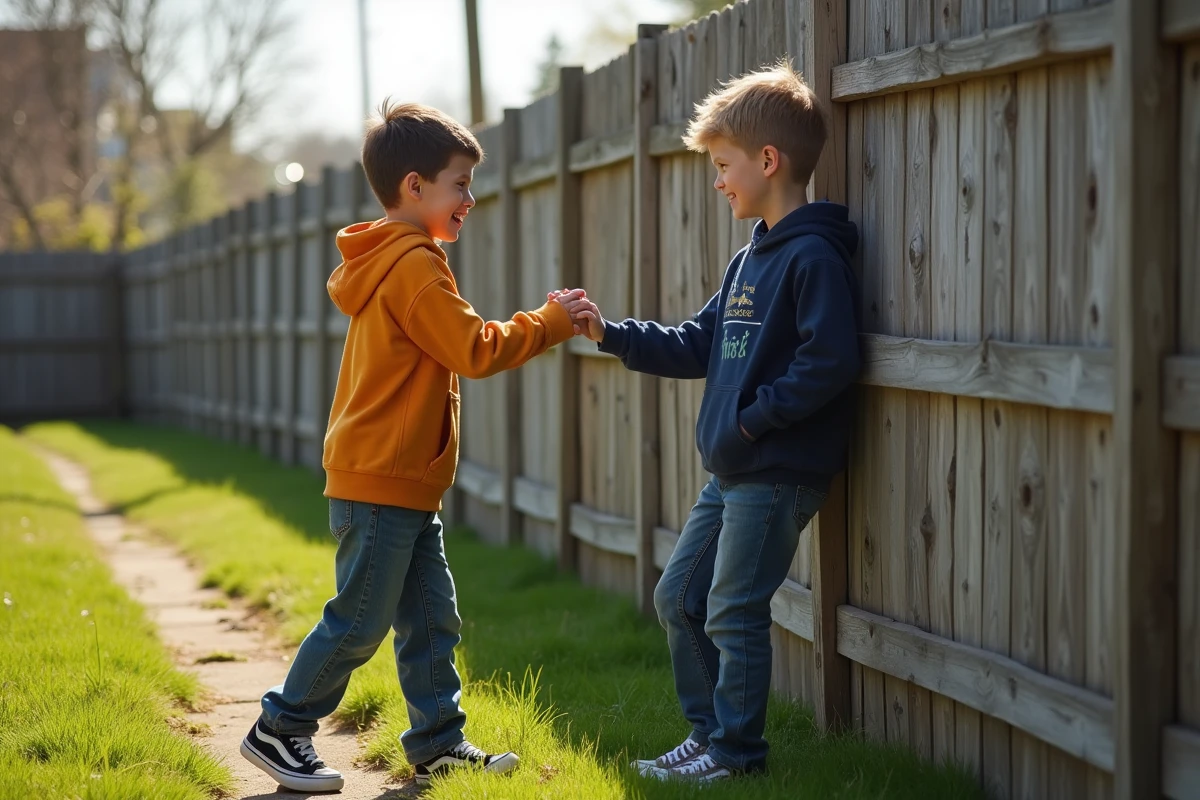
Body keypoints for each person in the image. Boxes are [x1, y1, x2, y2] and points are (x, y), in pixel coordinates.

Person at [240, 100, 590, 792]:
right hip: (379, 481)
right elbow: (472, 347)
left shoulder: (396, 258)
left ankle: (437, 742)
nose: (470, 198)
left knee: (432, 617)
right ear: (414, 186)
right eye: (460, 183)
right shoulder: (412, 266)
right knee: (359, 622)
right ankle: (280, 728)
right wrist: (550, 322)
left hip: (401, 481)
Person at [566, 61, 862, 781]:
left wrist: (756, 422)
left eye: (725, 165)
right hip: (733, 470)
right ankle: (708, 738)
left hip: (776, 470)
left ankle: (736, 755)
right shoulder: (747, 261)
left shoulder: (813, 256)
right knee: (679, 598)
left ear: (769, 161)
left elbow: (830, 362)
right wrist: (610, 332)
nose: (719, 179)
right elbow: (697, 343)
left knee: (732, 609)